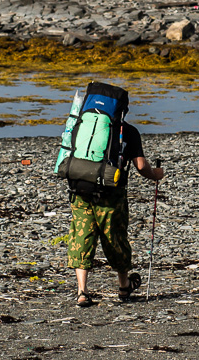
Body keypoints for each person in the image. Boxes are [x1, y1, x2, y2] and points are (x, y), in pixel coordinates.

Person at [66, 121, 165, 307]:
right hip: (111, 194)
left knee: (82, 235)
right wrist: (156, 175)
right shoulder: (127, 130)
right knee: (115, 237)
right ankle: (123, 286)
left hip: (79, 189)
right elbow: (142, 166)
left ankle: (82, 291)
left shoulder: (82, 123)